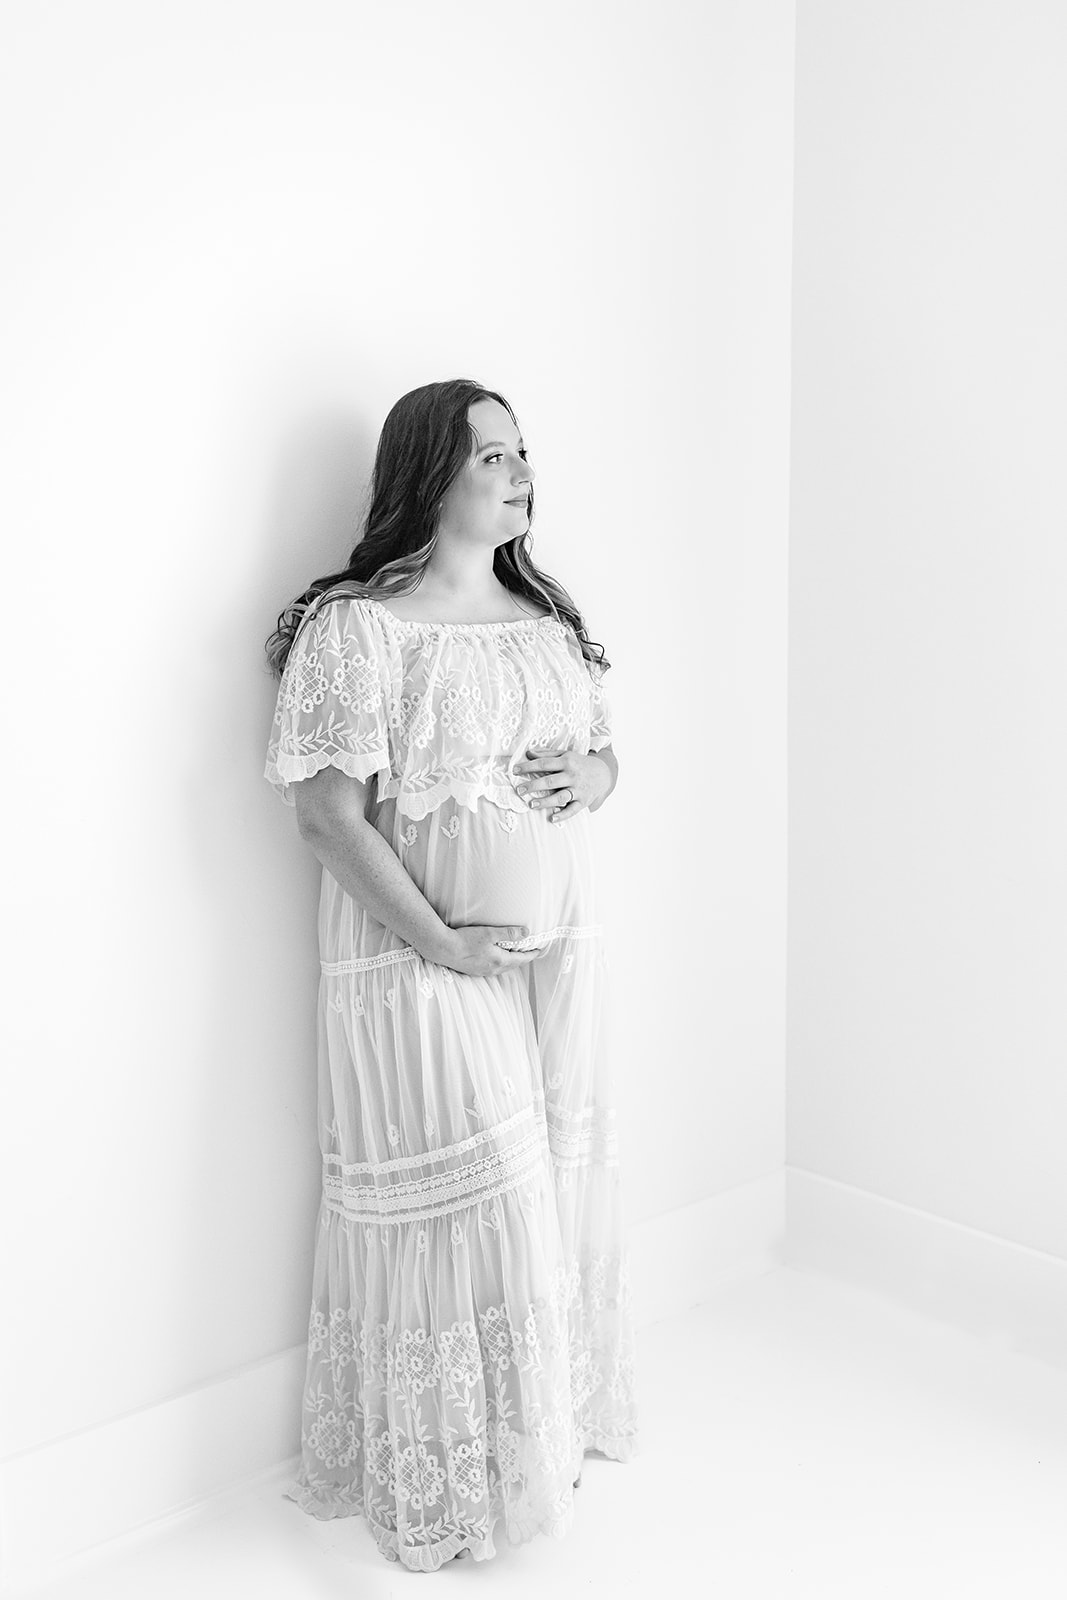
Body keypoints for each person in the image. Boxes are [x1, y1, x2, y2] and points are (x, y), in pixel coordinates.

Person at [263, 378, 639, 1571]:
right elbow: (327, 819)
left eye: (524, 452)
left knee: (553, 1190)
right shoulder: (359, 630)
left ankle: (529, 1443)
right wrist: (441, 942)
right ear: (430, 474)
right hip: (414, 965)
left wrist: (598, 777)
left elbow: (601, 749)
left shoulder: (541, 619)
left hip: (552, 957)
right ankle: (454, 1483)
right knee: (489, 1203)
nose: (522, 471)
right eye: (493, 455)